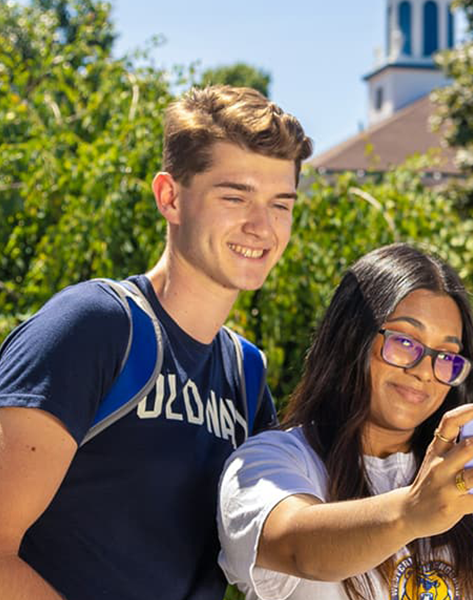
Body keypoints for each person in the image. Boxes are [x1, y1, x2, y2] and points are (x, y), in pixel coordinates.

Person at [0, 85, 312, 600]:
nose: (262, 226)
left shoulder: (246, 375)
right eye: (234, 196)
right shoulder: (95, 326)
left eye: (281, 203)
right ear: (169, 197)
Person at [217, 243, 473, 600]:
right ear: (352, 337)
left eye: (447, 355)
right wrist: (413, 512)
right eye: (405, 341)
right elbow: (297, 547)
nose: (425, 369)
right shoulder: (269, 463)